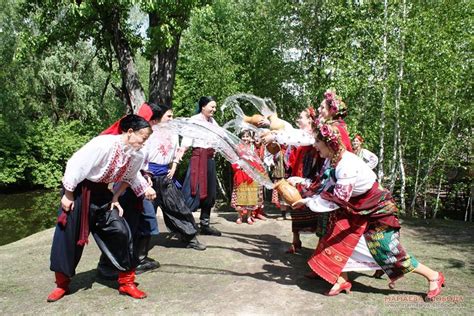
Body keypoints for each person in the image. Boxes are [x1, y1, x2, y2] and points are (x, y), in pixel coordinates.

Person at [292, 124, 445, 300]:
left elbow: (337, 200)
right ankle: (341, 278)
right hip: (358, 207)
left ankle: (434, 276)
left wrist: (307, 202)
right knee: (335, 234)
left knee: (386, 249)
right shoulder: (334, 159)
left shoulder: (346, 165)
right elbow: (327, 187)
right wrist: (306, 194)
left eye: (318, 141)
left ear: (330, 144)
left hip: (377, 209)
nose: (314, 145)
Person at [47, 114, 156, 302]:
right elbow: (75, 164)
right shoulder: (103, 145)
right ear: (130, 132)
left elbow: (130, 177)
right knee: (67, 237)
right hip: (80, 191)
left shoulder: (136, 154)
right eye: (142, 138)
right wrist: (68, 194)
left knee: (120, 231)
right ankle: (62, 284)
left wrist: (115, 196)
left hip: (102, 194)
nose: (143, 143)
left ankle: (127, 282)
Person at [146, 103, 206, 250]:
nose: (172, 118)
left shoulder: (173, 132)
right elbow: (142, 154)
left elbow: (176, 151)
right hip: (148, 177)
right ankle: (140, 250)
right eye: (169, 116)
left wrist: (174, 166)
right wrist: (145, 175)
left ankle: (189, 237)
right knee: (146, 213)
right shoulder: (148, 131)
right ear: (158, 118)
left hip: (166, 176)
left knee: (178, 206)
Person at [181, 96, 222, 236]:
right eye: (212, 107)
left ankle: (205, 225)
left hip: (209, 160)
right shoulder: (194, 120)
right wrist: (177, 158)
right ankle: (186, 227)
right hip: (198, 160)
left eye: (215, 107)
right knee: (192, 191)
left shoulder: (212, 121)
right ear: (203, 106)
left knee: (210, 193)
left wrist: (216, 148)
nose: (214, 110)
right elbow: (186, 141)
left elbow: (218, 137)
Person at [231, 130, 264, 225]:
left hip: (251, 174)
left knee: (251, 195)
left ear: (251, 138)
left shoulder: (254, 148)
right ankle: (239, 216)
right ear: (240, 138)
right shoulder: (237, 148)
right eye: (243, 136)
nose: (245, 138)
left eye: (247, 136)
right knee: (241, 194)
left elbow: (258, 160)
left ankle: (249, 216)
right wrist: (238, 166)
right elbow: (233, 159)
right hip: (241, 173)